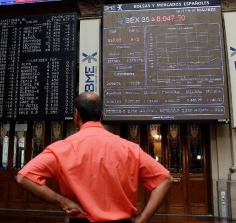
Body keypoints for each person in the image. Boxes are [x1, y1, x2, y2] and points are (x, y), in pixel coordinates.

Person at [16, 92, 173, 223]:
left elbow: (23, 178)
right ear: (101, 115)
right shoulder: (129, 148)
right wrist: (143, 219)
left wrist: (62, 202)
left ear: (76, 114)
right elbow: (165, 180)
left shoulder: (61, 149)